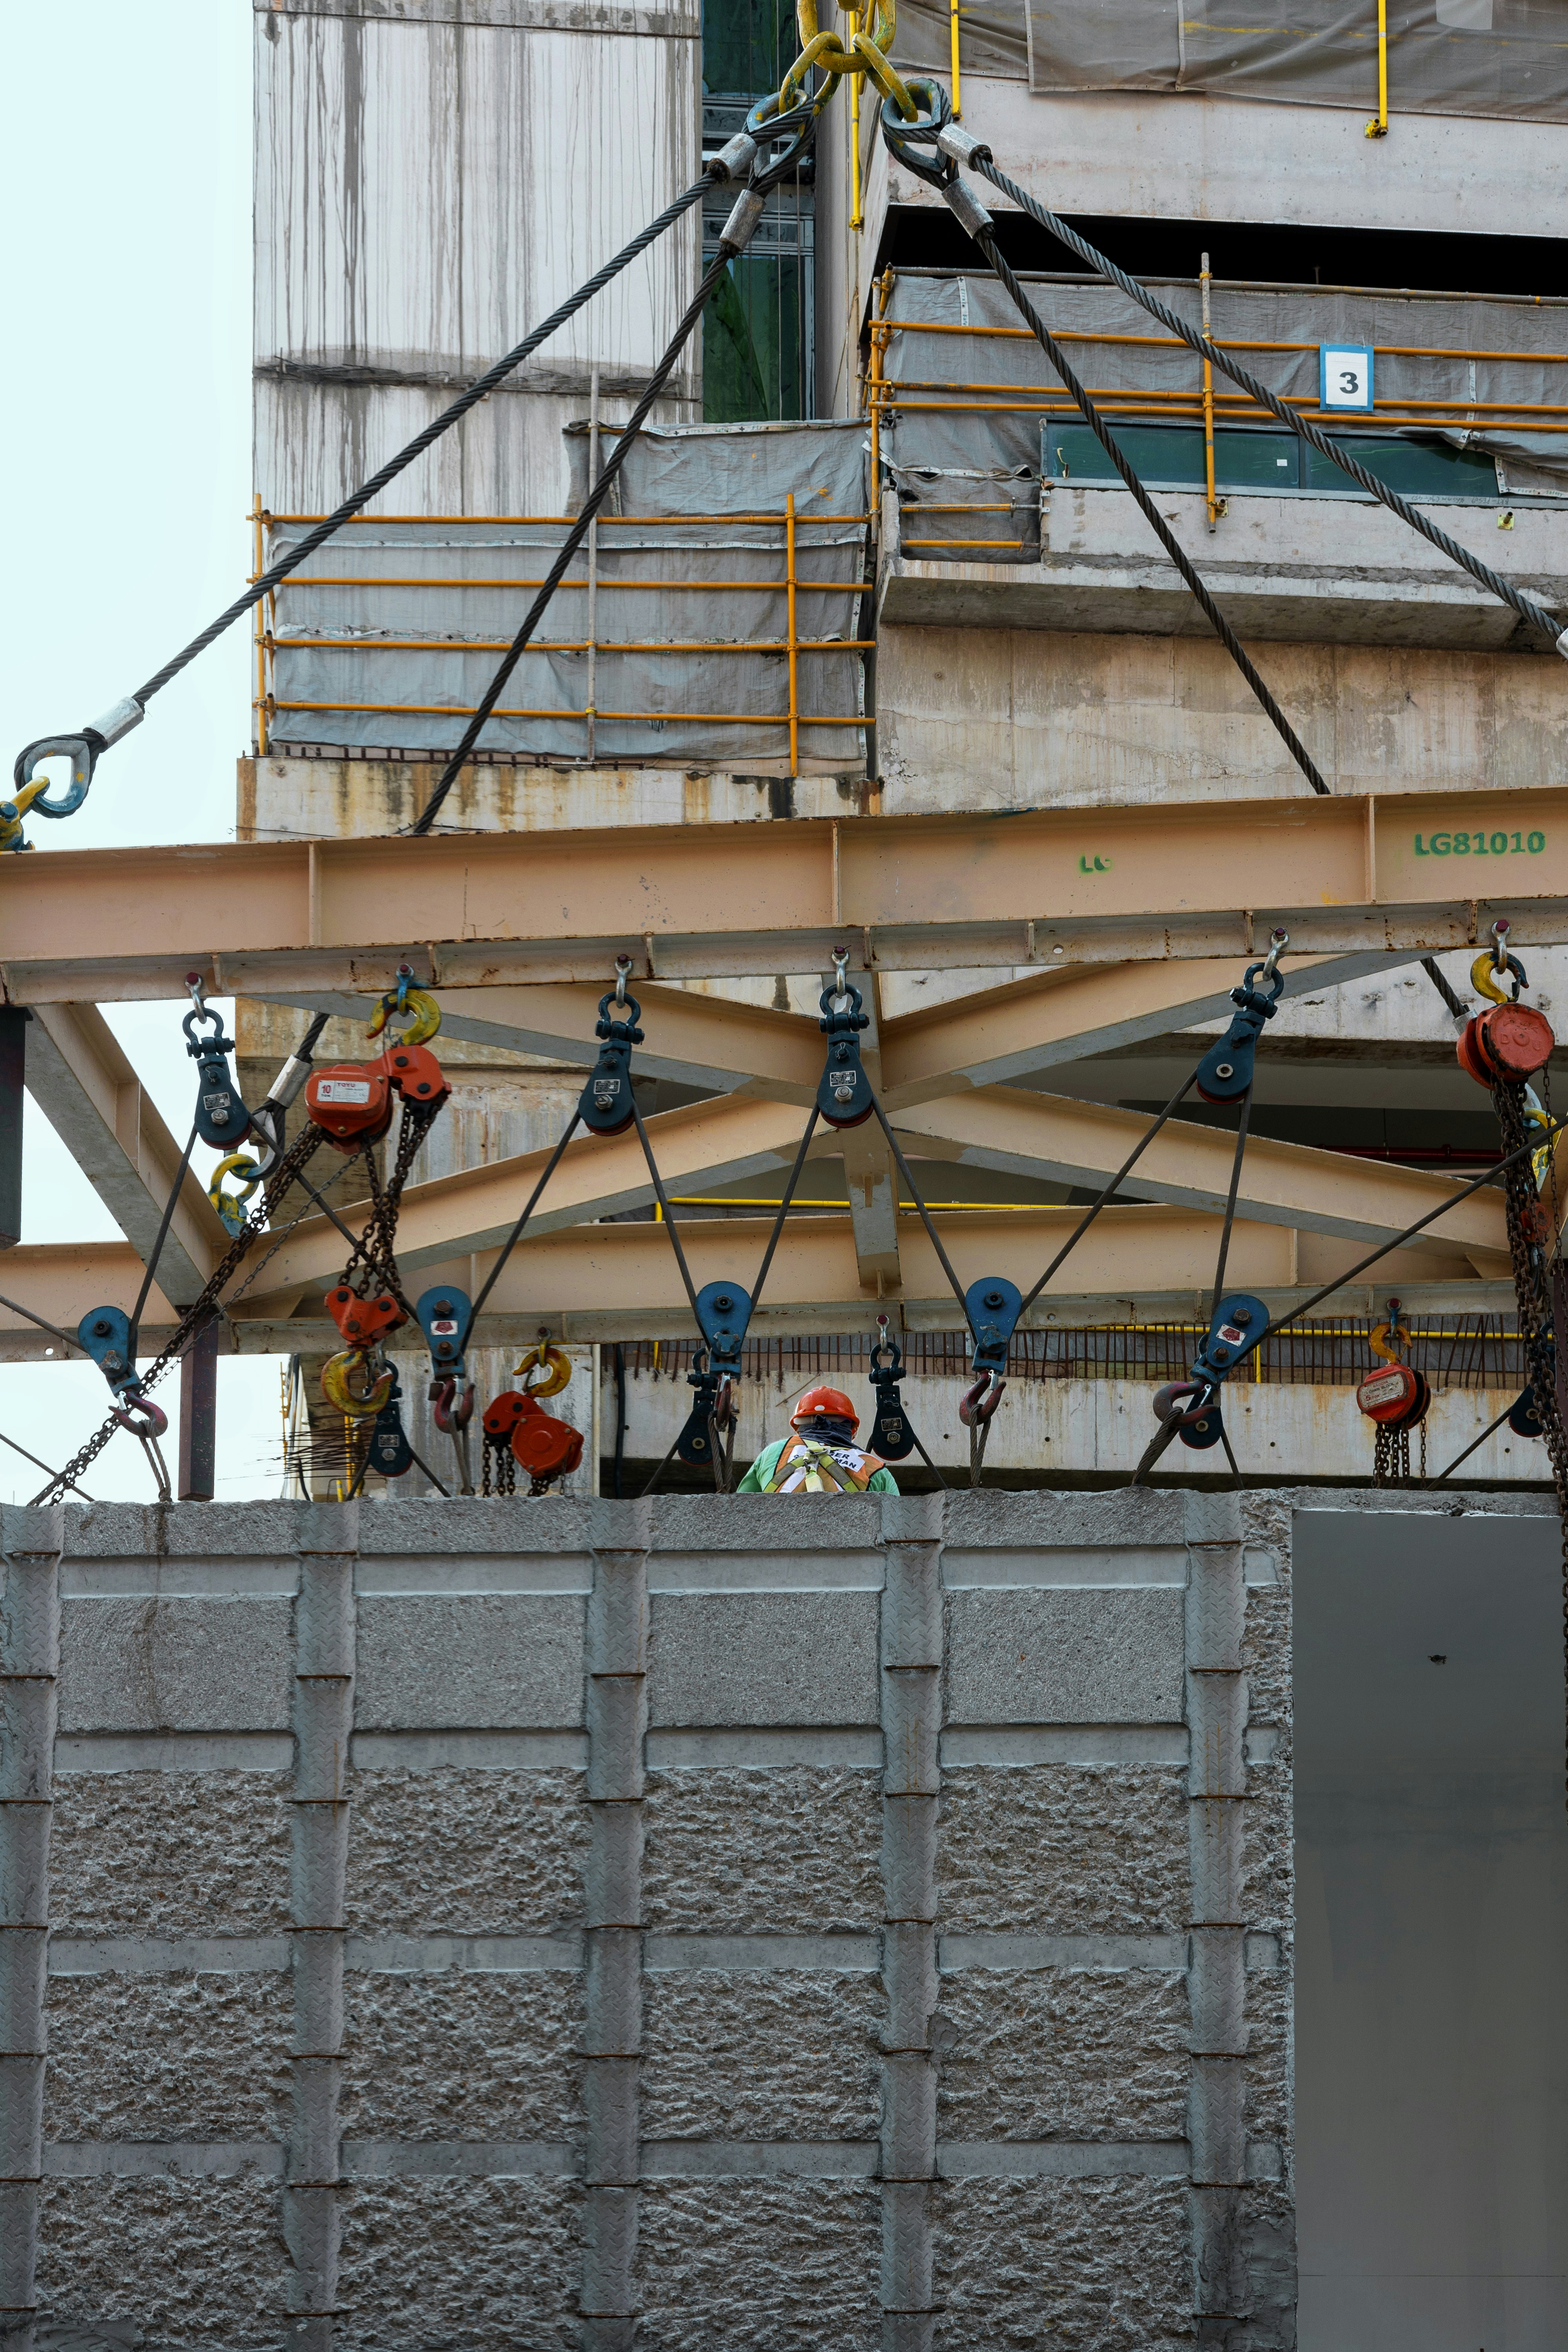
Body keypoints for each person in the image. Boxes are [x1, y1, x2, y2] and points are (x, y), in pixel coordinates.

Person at [736, 1385, 898, 1494]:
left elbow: (742, 1508)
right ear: (852, 1430)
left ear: (798, 1427)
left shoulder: (773, 1452)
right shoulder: (874, 1468)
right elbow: (897, 1527)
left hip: (777, 1541)